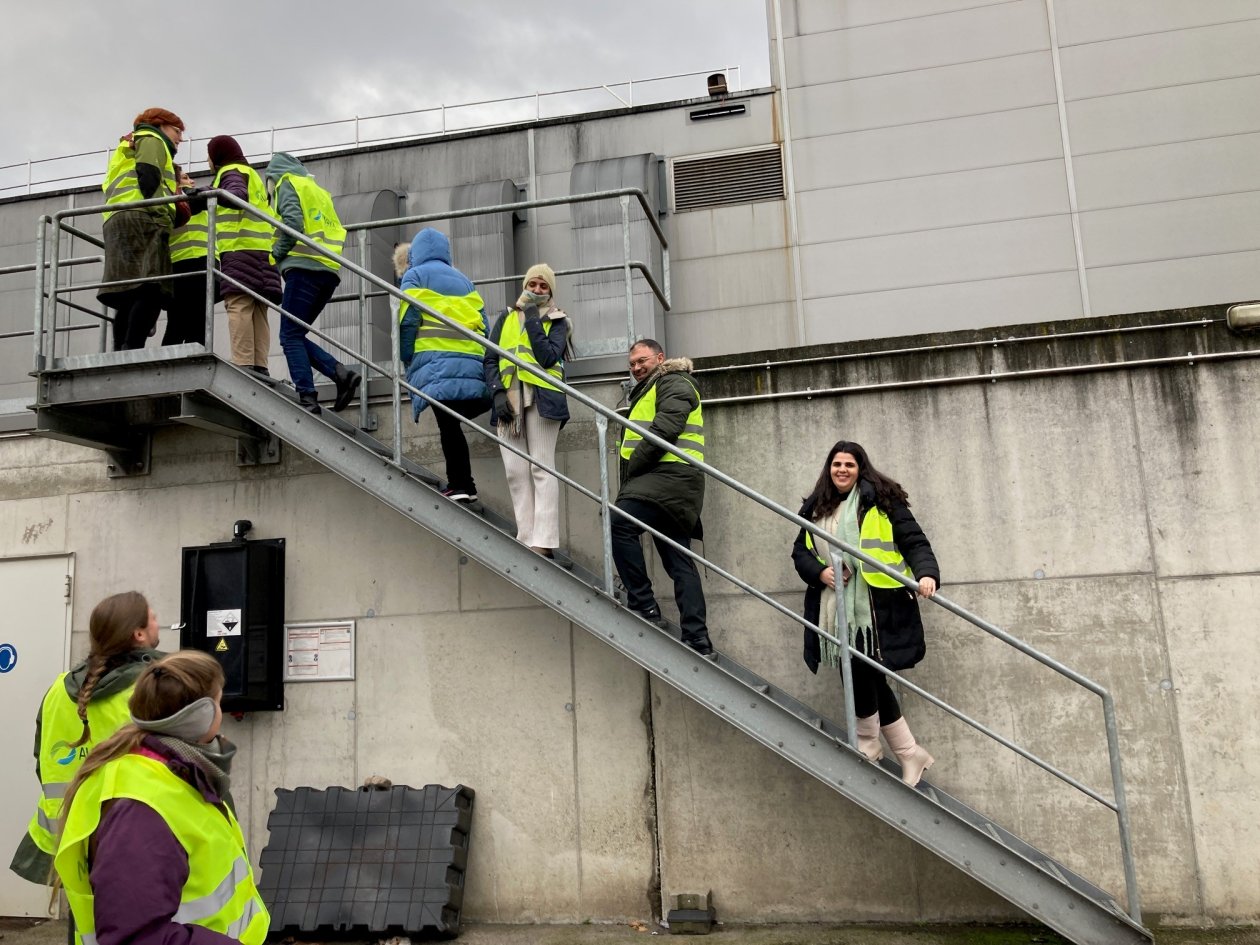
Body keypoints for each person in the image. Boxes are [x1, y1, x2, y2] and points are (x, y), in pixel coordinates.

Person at [52, 650, 267, 945]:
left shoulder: (176, 772)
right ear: (202, 715)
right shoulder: (140, 808)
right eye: (218, 702)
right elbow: (136, 936)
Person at [791, 440, 941, 787]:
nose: (842, 470)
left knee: (861, 668)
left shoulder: (882, 502)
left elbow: (914, 541)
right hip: (836, 605)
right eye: (836, 464)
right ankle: (905, 751)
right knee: (862, 671)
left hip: (875, 607)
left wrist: (927, 574)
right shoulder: (816, 507)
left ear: (861, 469)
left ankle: (872, 742)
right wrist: (820, 572)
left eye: (849, 465)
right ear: (829, 469)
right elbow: (801, 551)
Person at [9, 591, 163, 886]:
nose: (159, 623)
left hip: (72, 840)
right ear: (139, 633)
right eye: (153, 617)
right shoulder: (154, 687)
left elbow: (42, 762)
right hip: (135, 840)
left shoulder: (58, 690)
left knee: (86, 930)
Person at [611, 339, 714, 656]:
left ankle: (642, 602)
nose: (637, 367)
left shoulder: (672, 380)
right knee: (678, 558)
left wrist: (634, 468)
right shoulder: (653, 388)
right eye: (632, 364)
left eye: (642, 360)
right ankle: (697, 637)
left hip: (668, 478)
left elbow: (666, 428)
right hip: (671, 483)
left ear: (660, 358)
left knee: (620, 522)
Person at [396, 228, 492, 503]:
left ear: (415, 253)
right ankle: (464, 484)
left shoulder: (414, 276)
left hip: (435, 361)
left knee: (448, 424)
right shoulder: (464, 280)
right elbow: (483, 324)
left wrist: (406, 357)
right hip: (469, 360)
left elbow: (409, 320)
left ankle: (461, 484)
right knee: (452, 421)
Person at [483, 264, 570, 556]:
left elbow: (546, 357)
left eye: (542, 286)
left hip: (543, 400)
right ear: (524, 284)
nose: (536, 290)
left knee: (541, 467)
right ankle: (526, 536)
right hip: (510, 402)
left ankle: (543, 541)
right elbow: (490, 359)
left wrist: (532, 315)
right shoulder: (505, 318)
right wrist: (496, 393)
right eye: (532, 284)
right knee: (515, 471)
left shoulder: (558, 321)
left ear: (550, 291)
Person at [264, 152, 361, 414]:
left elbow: (293, 223)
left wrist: (275, 254)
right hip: (328, 272)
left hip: (303, 269)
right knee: (295, 334)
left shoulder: (286, 183)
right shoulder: (317, 189)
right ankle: (341, 374)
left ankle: (308, 396)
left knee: (288, 336)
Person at [98, 108, 185, 351]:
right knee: (153, 287)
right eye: (176, 131)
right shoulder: (152, 138)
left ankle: (121, 349)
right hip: (142, 216)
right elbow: (148, 175)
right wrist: (160, 215)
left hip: (117, 217)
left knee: (128, 290)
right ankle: (132, 346)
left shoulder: (128, 145)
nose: (180, 138)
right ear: (160, 125)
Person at [207, 135, 281, 376]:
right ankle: (260, 365)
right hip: (263, 252)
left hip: (239, 249)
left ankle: (243, 363)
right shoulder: (253, 176)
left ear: (218, 155)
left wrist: (209, 192)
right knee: (258, 309)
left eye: (209, 155)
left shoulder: (231, 170)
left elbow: (236, 195)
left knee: (238, 305)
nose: (207, 161)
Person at [163, 165, 212, 346]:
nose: (191, 181)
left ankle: (169, 361)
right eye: (185, 178)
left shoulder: (170, 200)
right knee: (193, 320)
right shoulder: (186, 196)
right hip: (193, 261)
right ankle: (194, 356)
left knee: (179, 320)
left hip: (180, 263)